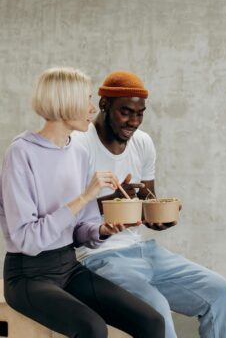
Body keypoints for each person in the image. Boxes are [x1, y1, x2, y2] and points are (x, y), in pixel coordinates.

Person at [0, 68, 165, 338]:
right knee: (91, 328)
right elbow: (26, 240)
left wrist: (102, 230)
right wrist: (85, 197)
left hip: (68, 267)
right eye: (86, 100)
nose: (92, 109)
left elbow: (80, 229)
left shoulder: (76, 151)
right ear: (65, 103)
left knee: (152, 322)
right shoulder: (21, 153)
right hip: (28, 275)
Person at [74, 70, 226, 338]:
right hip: (98, 258)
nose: (134, 121)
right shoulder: (79, 145)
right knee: (157, 310)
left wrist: (160, 218)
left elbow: (147, 202)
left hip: (143, 251)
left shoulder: (142, 143)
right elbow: (67, 216)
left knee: (221, 293)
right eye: (125, 112)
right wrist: (112, 200)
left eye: (140, 113)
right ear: (104, 104)